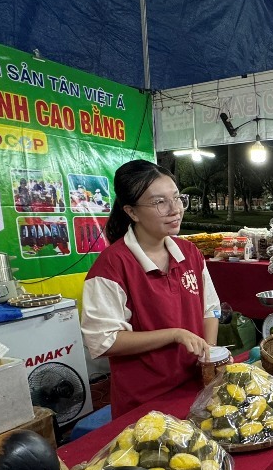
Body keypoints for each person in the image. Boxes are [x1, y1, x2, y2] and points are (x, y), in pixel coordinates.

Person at [81, 160, 221, 418]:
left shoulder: (190, 253)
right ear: (132, 212)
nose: (175, 210)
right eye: (160, 202)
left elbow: (210, 310)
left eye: (177, 198)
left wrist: (208, 356)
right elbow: (104, 341)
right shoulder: (112, 266)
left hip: (194, 388)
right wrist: (174, 334)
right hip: (145, 403)